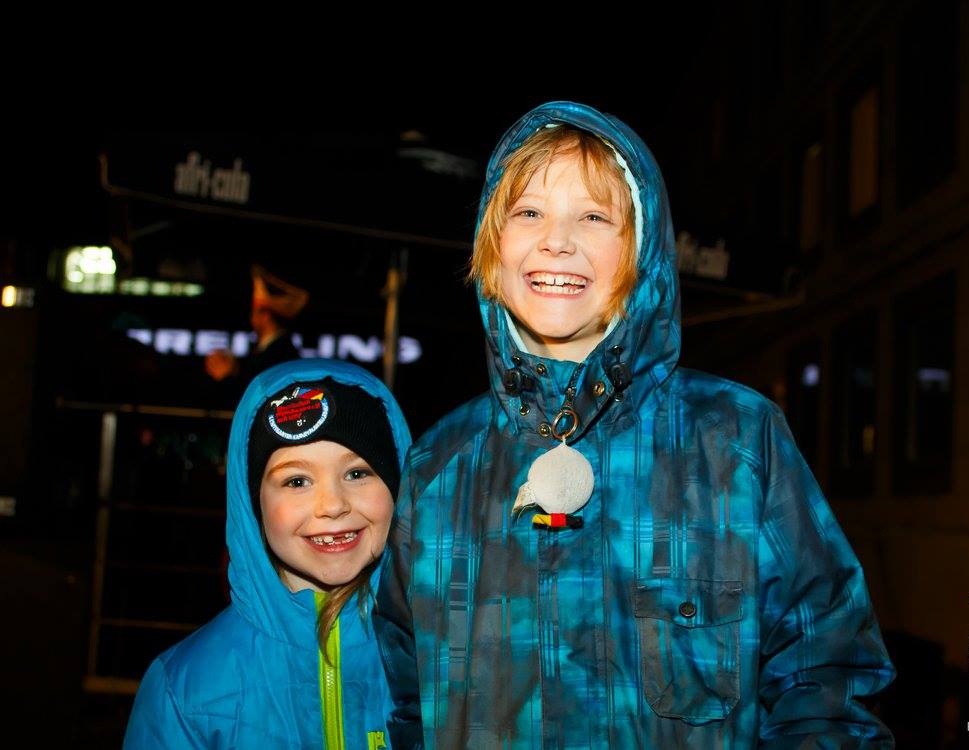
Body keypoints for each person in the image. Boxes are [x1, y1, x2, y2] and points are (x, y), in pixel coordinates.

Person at [379, 101, 895, 747]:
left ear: (642, 250)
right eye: (528, 212)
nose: (556, 240)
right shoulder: (439, 464)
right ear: (492, 243)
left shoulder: (736, 440)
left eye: (594, 216)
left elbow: (825, 677)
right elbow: (402, 698)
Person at [125, 359, 412, 749]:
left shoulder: (445, 660)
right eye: (297, 481)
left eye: (357, 473)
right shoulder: (183, 689)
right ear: (252, 502)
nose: (332, 505)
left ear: (399, 487)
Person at [205, 263, 306, 386]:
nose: (251, 318)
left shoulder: (278, 356)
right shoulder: (269, 351)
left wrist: (228, 376)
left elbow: (257, 391)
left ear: (265, 316)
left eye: (254, 311)